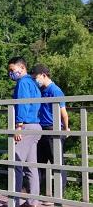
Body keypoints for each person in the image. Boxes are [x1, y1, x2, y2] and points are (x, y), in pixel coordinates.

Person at [7, 56, 42, 207]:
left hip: (26, 126)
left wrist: (18, 126)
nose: (10, 73)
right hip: (36, 126)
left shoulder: (22, 83)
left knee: (16, 164)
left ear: (21, 68)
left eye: (12, 70)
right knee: (31, 166)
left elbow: (22, 103)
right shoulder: (34, 83)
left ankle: (13, 203)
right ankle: (32, 202)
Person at [32, 64, 69, 198]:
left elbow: (63, 113)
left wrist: (66, 128)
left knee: (57, 162)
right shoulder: (41, 90)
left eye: (36, 77)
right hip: (41, 129)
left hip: (53, 129)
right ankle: (35, 194)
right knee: (38, 162)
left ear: (43, 75)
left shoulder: (55, 90)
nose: (35, 80)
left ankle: (59, 194)